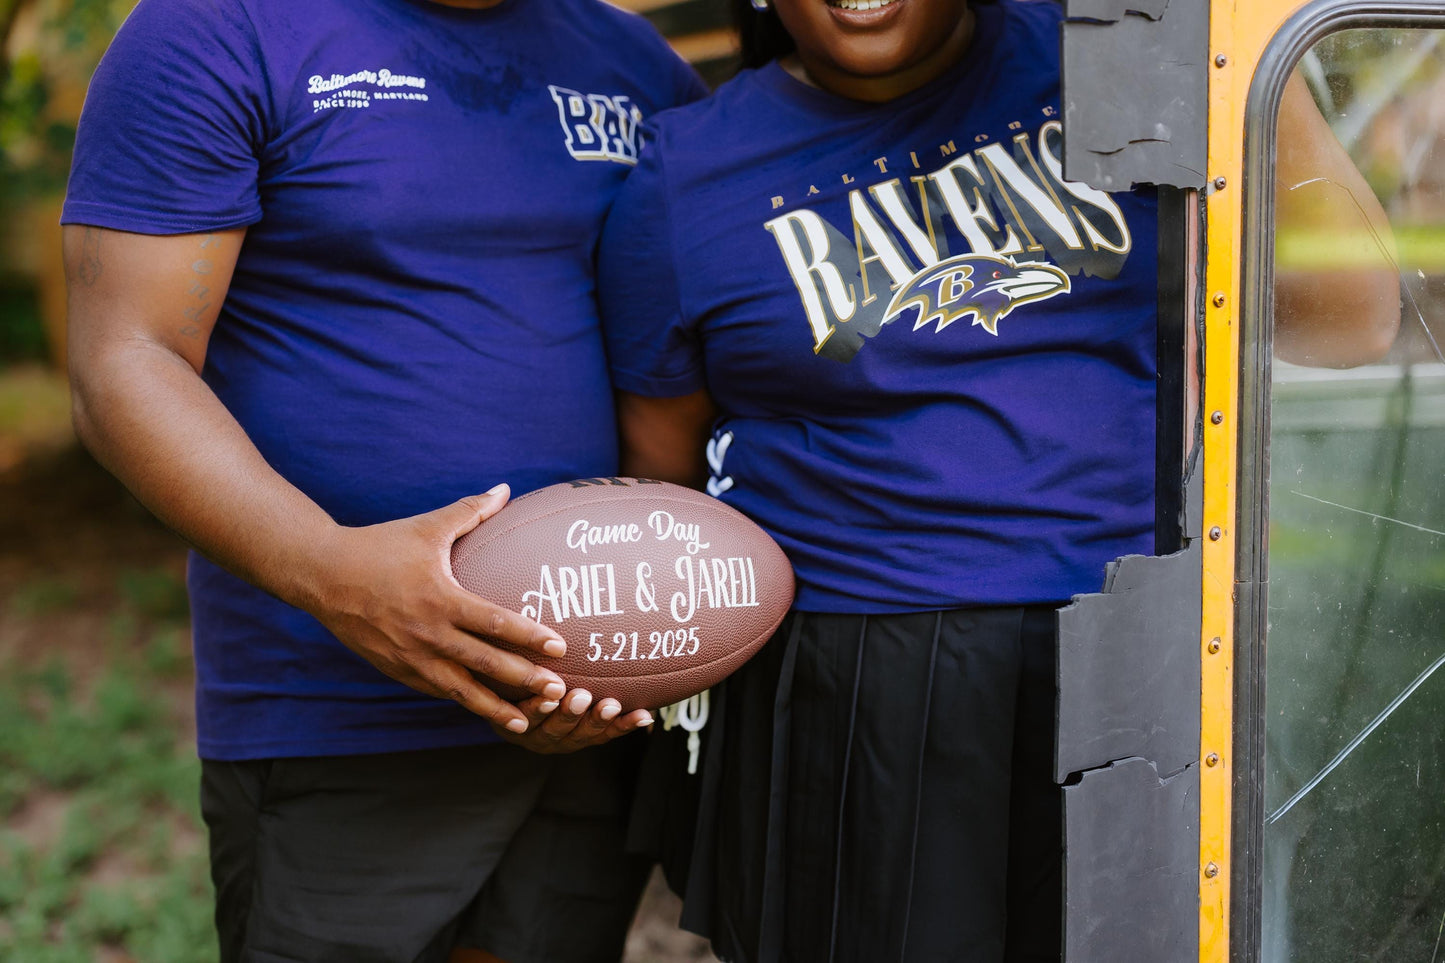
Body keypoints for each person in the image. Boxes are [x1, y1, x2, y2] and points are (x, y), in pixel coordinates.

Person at [597, 1, 1399, 961]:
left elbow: (1350, 318)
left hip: (1156, 640)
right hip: (860, 681)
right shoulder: (686, 177)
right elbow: (665, 485)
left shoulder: (1115, 52)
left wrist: (1228, 48)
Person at [61, 0, 705, 959]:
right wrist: (336, 574)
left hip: (582, 699)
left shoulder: (630, 61)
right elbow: (125, 360)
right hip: (335, 710)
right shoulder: (220, 28)